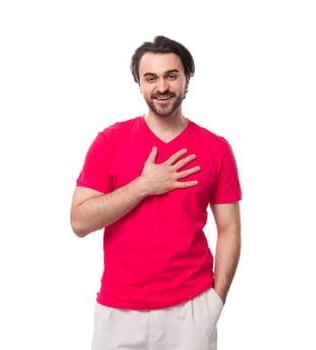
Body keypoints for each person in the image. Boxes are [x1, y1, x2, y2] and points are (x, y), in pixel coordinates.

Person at [70, 35, 242, 350]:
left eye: (171, 75)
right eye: (151, 78)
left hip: (190, 310)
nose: (161, 86)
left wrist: (216, 299)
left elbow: (229, 228)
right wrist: (143, 185)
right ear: (139, 83)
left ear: (187, 79)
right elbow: (80, 221)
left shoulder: (217, 149)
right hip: (119, 311)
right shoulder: (109, 141)